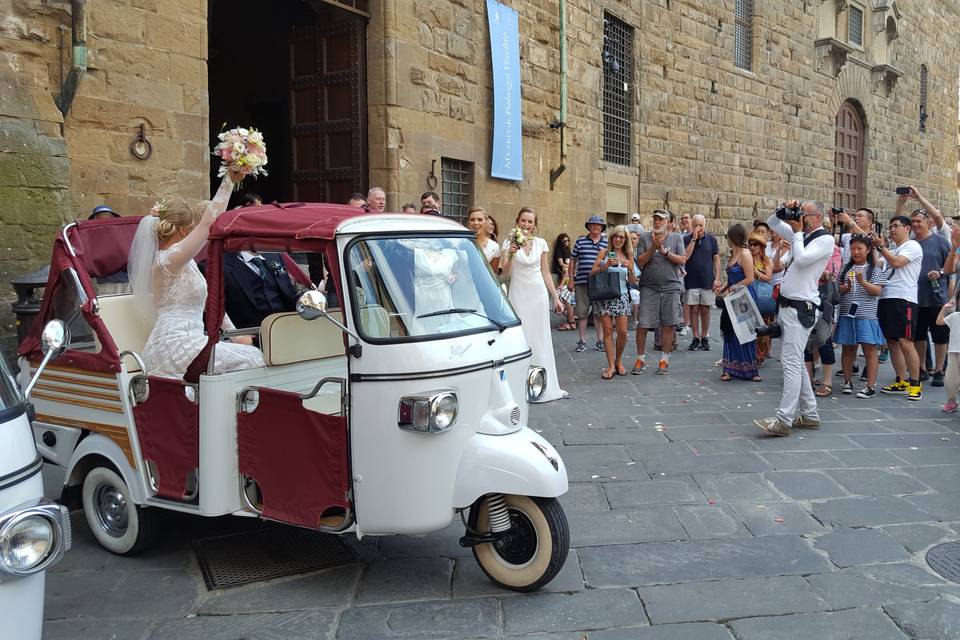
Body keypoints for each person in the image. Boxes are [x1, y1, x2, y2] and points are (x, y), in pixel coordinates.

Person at [128, 174, 264, 379]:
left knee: (249, 354)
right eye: (191, 228)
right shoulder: (168, 260)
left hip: (193, 339)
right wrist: (229, 179)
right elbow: (209, 222)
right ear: (184, 230)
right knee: (253, 358)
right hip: (172, 344)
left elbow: (209, 299)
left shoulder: (183, 261)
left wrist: (236, 335)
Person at [754, 200, 835, 437]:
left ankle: (783, 419)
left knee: (790, 363)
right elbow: (771, 222)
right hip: (789, 307)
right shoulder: (802, 234)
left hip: (802, 309)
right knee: (796, 362)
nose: (800, 217)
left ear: (818, 217)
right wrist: (784, 208)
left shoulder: (824, 239)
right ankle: (810, 415)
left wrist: (798, 232)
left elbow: (801, 260)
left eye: (805, 214)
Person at [500, 207, 567, 402]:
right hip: (519, 293)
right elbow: (505, 273)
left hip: (537, 294)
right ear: (517, 222)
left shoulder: (541, 243)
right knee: (520, 336)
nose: (526, 225)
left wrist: (555, 296)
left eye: (530, 222)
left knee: (539, 336)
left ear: (535, 225)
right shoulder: (508, 243)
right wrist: (511, 254)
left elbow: (545, 272)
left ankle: (542, 383)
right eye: (523, 221)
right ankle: (519, 384)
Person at [876, 215, 924, 400]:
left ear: (907, 228)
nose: (892, 230)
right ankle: (901, 380)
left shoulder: (912, 246)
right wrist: (874, 245)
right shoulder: (893, 249)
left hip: (904, 298)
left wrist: (881, 246)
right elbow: (878, 263)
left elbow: (897, 263)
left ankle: (915, 383)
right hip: (886, 296)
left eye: (896, 226)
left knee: (906, 340)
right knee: (892, 341)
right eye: (890, 226)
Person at [633, 209, 686, 375]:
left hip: (671, 287)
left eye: (661, 220)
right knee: (643, 323)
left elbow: (683, 259)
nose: (657, 222)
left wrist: (666, 252)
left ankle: (664, 359)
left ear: (668, 222)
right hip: (649, 287)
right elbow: (640, 262)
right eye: (655, 219)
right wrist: (653, 248)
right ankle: (640, 359)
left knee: (668, 324)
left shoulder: (676, 238)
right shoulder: (644, 238)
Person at [835, 234, 888, 398]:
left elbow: (877, 291)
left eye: (859, 248)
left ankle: (870, 386)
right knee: (848, 348)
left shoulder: (875, 269)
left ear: (867, 250)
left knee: (869, 349)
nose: (855, 252)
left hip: (867, 314)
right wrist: (846, 287)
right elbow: (838, 290)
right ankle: (847, 381)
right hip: (847, 313)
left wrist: (862, 282)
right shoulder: (845, 268)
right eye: (852, 248)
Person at [909, 208, 952, 387]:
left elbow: (952, 266)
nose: (916, 224)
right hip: (914, 297)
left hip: (936, 298)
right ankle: (922, 367)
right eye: (914, 222)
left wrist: (941, 272)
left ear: (929, 223)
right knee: (918, 336)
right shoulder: (910, 243)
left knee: (940, 337)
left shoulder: (941, 242)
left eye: (919, 221)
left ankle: (940, 370)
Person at [590, 226, 638, 379]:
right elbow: (592, 273)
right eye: (615, 236)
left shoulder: (628, 255)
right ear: (611, 238)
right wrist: (606, 265)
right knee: (608, 331)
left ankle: (618, 360)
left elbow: (633, 281)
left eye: (621, 237)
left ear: (625, 240)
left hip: (622, 295)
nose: (618, 240)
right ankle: (611, 365)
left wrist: (631, 269)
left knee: (623, 332)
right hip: (605, 296)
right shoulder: (604, 253)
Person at [804, 216, 843, 397]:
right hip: (804, 296)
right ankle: (808, 378)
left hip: (823, 298)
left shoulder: (834, 250)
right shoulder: (805, 246)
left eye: (827, 228)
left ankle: (827, 381)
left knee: (824, 338)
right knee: (805, 340)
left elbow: (832, 274)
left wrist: (813, 271)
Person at [717, 224, 759, 382]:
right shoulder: (733, 254)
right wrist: (724, 287)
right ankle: (729, 368)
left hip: (744, 297)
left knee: (745, 333)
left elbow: (750, 278)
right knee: (730, 331)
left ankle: (750, 370)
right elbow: (732, 278)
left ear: (732, 237)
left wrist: (733, 288)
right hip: (733, 296)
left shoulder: (745, 254)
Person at [568, 215, 607, 353]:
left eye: (598, 225)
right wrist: (571, 279)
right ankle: (582, 340)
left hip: (600, 284)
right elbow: (573, 260)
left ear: (602, 228)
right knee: (582, 312)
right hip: (582, 282)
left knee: (598, 313)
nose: (596, 226)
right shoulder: (580, 242)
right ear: (589, 227)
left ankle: (600, 340)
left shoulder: (607, 243)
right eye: (593, 224)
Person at [683, 214, 720, 351]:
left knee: (705, 309)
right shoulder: (686, 239)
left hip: (707, 280)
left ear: (705, 225)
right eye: (695, 225)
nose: (698, 228)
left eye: (700, 225)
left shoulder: (712, 240)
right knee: (694, 309)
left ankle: (705, 337)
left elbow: (716, 260)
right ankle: (695, 337)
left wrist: (716, 278)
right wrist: (693, 239)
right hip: (691, 280)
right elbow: (685, 257)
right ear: (691, 226)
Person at [748, 232, 773, 364]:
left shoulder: (766, 261)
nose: (752, 247)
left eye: (755, 244)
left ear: (761, 247)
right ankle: (749, 353)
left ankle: (760, 355)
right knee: (748, 325)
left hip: (762, 297)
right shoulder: (746, 258)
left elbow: (768, 278)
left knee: (762, 326)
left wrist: (756, 273)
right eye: (750, 244)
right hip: (748, 294)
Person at [935, 297, 960, 412]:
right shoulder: (955, 316)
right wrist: (944, 308)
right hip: (953, 352)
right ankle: (952, 401)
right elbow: (939, 322)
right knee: (950, 380)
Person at [552, 233, 576, 331]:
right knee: (560, 292)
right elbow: (562, 264)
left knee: (566, 293)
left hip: (576, 281)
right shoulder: (560, 250)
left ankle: (571, 320)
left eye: (568, 240)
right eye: (564, 241)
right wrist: (561, 285)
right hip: (564, 271)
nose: (567, 243)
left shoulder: (570, 251)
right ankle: (568, 316)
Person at [467, 206, 500, 272]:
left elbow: (492, 274)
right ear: (468, 222)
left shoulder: (494, 247)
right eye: (472, 220)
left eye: (480, 220)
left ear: (486, 222)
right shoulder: (461, 243)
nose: (476, 223)